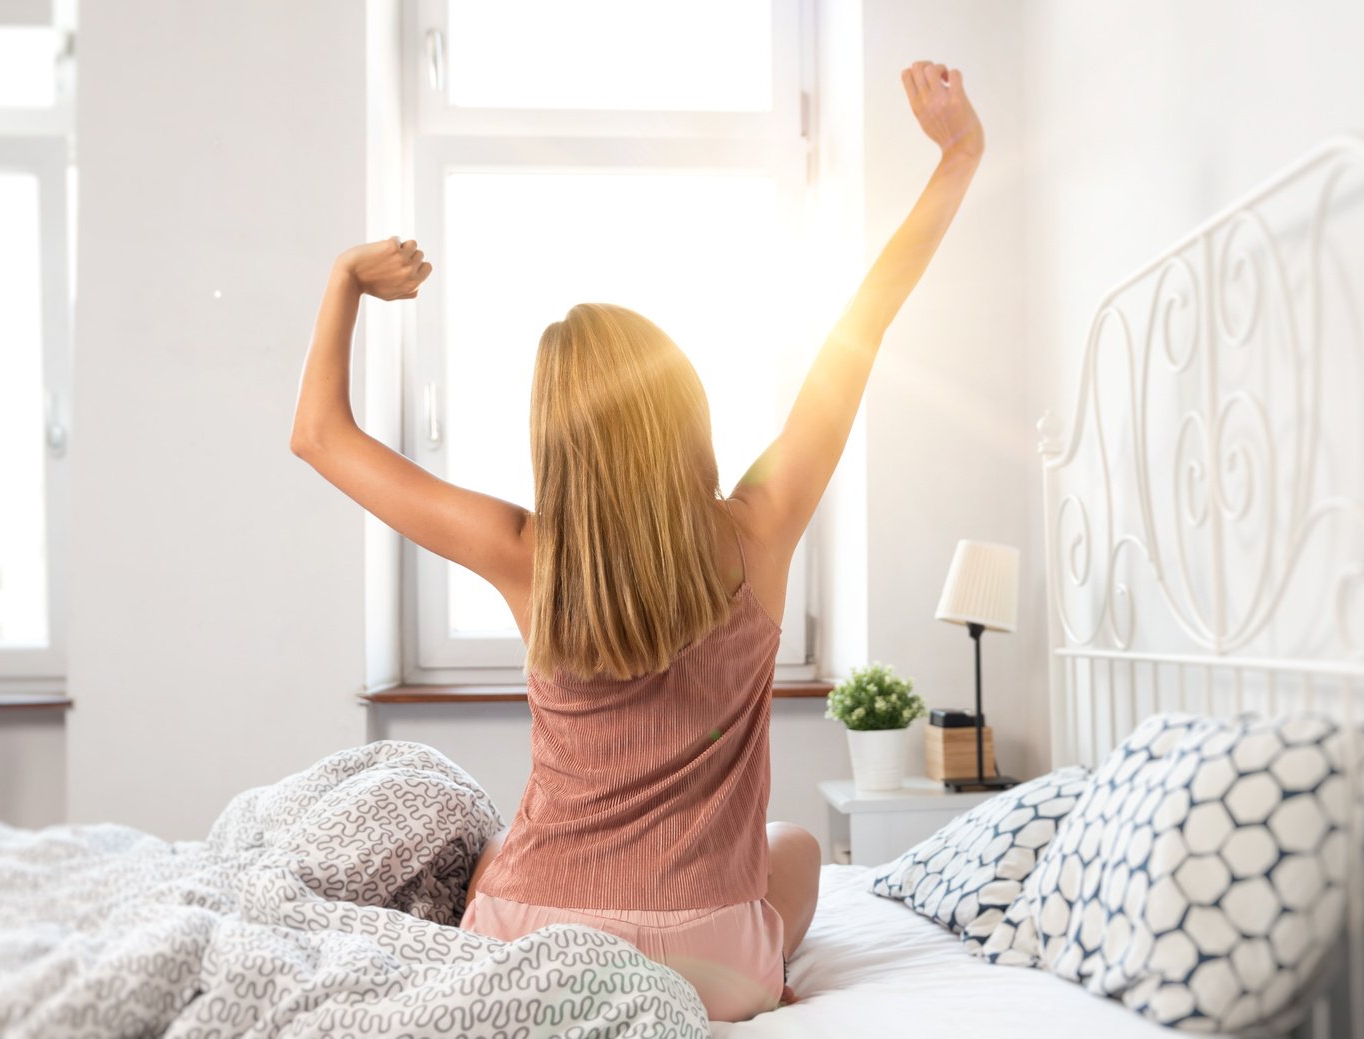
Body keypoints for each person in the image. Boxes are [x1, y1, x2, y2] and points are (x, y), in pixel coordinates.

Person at [289, 58, 984, 1023]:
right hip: (716, 959)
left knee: (498, 850)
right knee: (798, 846)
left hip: (532, 940)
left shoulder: (523, 550)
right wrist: (959, 154)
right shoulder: (760, 529)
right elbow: (860, 328)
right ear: (684, 410)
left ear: (554, 443)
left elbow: (318, 435)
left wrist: (343, 284)